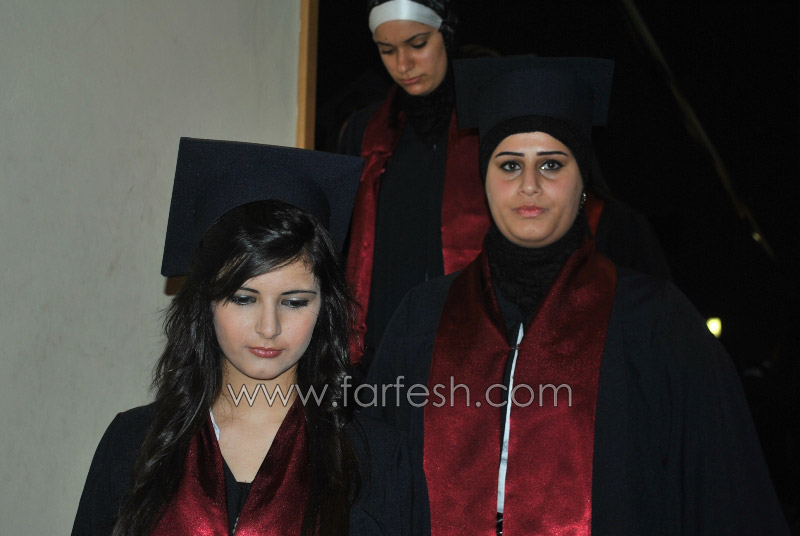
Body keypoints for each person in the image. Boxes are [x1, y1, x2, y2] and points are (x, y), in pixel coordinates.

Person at [365, 57, 789, 535]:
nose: (529, 185)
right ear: (483, 179)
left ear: (583, 180)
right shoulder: (424, 318)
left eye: (551, 164)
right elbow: (375, 491)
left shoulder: (656, 322)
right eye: (509, 165)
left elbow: (723, 498)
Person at [72, 139, 412, 535]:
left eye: (294, 302)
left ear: (325, 306)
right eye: (243, 298)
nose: (269, 327)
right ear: (206, 300)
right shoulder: (131, 445)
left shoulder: (377, 461)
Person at [340, 1, 670, 368]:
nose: (403, 64)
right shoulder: (366, 135)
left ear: (446, 34)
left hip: (485, 340)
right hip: (390, 336)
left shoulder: (496, 115)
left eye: (417, 44)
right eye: (387, 50)